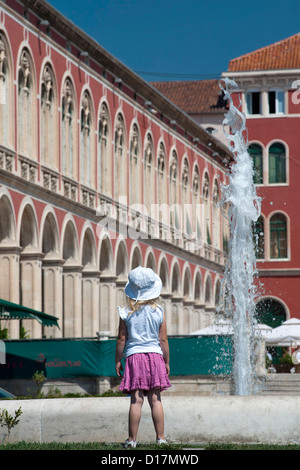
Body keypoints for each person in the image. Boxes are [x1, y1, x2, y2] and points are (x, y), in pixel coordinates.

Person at [115, 266, 171, 448]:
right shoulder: (159, 312)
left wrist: (118, 360)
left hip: (134, 356)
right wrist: (166, 361)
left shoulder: (126, 312)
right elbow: (163, 339)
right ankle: (161, 438)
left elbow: (122, 338)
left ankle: (132, 440)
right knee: (155, 399)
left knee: (136, 400)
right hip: (155, 356)